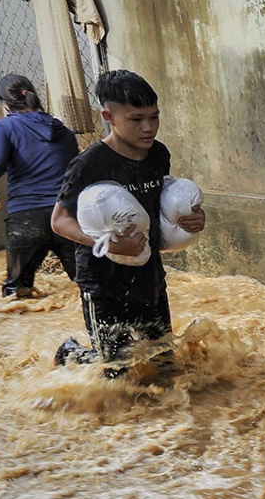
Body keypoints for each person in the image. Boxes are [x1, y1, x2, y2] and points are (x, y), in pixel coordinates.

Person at [51, 70, 201, 374]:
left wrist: (192, 218)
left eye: (154, 117)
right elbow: (59, 220)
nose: (149, 128)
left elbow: (159, 204)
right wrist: (108, 243)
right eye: (136, 119)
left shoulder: (158, 154)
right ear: (109, 116)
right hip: (102, 280)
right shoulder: (89, 164)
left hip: (149, 272)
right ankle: (69, 353)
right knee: (116, 370)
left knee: (164, 363)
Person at [0, 74, 81, 299]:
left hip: (26, 221)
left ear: (6, 105)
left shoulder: (3, 127)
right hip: (67, 216)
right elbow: (77, 171)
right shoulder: (64, 132)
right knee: (91, 285)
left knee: (16, 293)